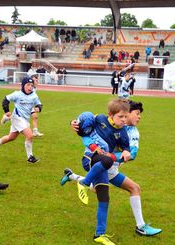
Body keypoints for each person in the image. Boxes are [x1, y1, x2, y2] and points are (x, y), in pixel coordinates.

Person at [61, 100, 162, 237]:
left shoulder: (131, 133)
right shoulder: (106, 120)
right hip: (98, 162)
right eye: (136, 114)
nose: (138, 117)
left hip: (110, 168)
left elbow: (131, 154)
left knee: (125, 189)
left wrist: (118, 155)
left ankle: (72, 176)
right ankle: (139, 227)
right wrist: (74, 122)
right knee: (107, 192)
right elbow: (87, 124)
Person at [60, 99, 132, 245]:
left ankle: (99, 235)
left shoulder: (123, 132)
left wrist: (126, 152)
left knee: (104, 198)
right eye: (121, 116)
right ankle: (83, 183)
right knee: (109, 159)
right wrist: (73, 123)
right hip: (90, 159)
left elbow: (126, 148)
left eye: (126, 116)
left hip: (102, 164)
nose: (124, 120)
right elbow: (82, 126)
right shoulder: (99, 119)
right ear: (110, 115)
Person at [0, 77, 42, 164]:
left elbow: (39, 104)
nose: (30, 87)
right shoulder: (17, 94)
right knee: (29, 135)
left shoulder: (34, 95)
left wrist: (38, 108)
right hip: (17, 118)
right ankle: (30, 157)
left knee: (11, 137)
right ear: (23, 85)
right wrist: (7, 111)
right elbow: (5, 100)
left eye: (32, 85)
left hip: (25, 120)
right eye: (28, 85)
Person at [29, 72, 44, 137]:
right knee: (18, 117)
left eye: (37, 80)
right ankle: (7, 117)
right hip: (25, 105)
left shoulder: (34, 88)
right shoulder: (30, 88)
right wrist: (38, 104)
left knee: (35, 117)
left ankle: (35, 132)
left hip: (30, 105)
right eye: (35, 80)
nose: (37, 81)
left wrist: (38, 105)